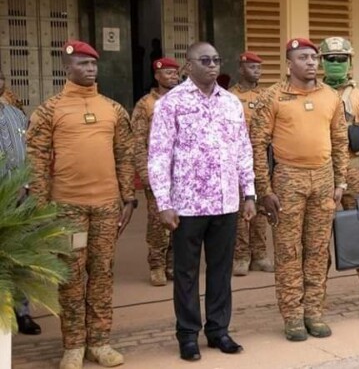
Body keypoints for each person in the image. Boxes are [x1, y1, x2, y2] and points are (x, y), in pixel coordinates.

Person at [27, 40, 136, 369]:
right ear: (67, 68)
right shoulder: (50, 110)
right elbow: (37, 161)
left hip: (105, 207)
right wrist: (41, 208)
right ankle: (73, 344)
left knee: (102, 273)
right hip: (67, 209)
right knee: (71, 277)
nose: (90, 69)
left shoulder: (113, 109)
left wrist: (128, 197)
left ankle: (99, 342)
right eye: (83, 64)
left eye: (93, 64)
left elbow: (125, 156)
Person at [148, 42, 254, 361]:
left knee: (221, 271)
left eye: (216, 60)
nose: (212, 65)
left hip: (226, 202)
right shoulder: (171, 103)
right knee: (187, 272)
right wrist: (164, 202)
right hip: (188, 205)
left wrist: (249, 192)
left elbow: (243, 149)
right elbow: (159, 154)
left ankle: (218, 330)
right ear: (188, 65)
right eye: (204, 60)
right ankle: (188, 334)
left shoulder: (232, 103)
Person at [250, 37, 348, 342]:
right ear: (289, 63)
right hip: (288, 179)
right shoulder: (273, 97)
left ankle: (313, 312)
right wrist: (264, 188)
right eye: (303, 57)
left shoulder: (330, 96)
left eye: (314, 58)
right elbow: (256, 144)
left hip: (323, 179)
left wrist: (341, 180)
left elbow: (341, 141)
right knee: (289, 251)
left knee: (318, 251)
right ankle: (292, 315)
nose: (311, 63)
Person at [319, 36, 359, 320]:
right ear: (322, 62)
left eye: (341, 59)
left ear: (350, 62)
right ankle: (316, 298)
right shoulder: (312, 95)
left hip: (356, 175)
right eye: (331, 60)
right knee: (317, 242)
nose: (336, 64)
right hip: (320, 178)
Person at [131, 57, 180, 287]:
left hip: (182, 174)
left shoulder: (184, 101)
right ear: (157, 76)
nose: (172, 76)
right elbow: (137, 143)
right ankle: (157, 265)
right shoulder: (146, 104)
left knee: (181, 222)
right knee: (158, 222)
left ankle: (173, 264)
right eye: (167, 73)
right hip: (158, 173)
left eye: (175, 73)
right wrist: (145, 173)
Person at [0, 98, 42, 335]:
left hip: (19, 198)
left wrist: (26, 184)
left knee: (21, 255)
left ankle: (22, 312)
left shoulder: (16, 114)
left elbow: (31, 151)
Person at [230, 51, 274, 276]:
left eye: (259, 67)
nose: (256, 71)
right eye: (251, 67)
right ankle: (241, 256)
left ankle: (260, 254)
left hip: (262, 159)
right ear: (241, 69)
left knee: (261, 209)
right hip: (238, 161)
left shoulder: (267, 96)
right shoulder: (229, 96)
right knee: (240, 210)